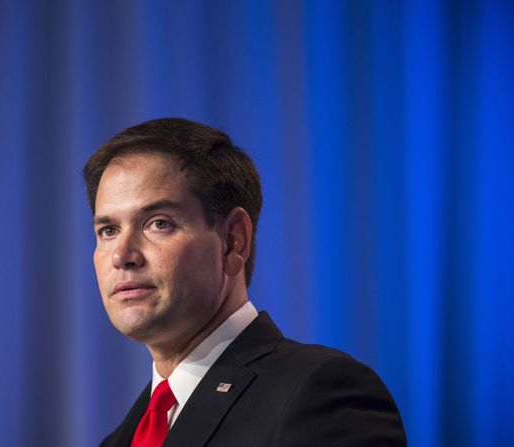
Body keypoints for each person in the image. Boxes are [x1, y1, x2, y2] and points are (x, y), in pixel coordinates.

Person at [83, 118, 406, 447]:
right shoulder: (119, 440)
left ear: (233, 240)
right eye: (108, 230)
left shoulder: (322, 395)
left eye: (158, 223)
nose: (121, 255)